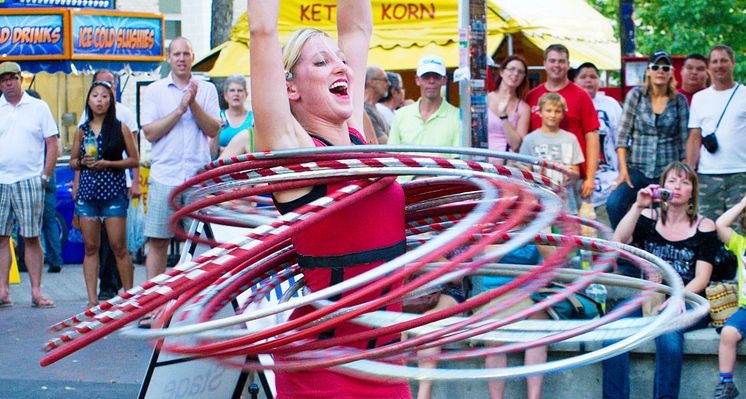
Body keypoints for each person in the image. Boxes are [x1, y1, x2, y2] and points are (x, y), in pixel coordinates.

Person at [247, 0, 410, 397]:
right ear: (290, 87)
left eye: (339, 61)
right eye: (321, 63)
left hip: (388, 360)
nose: (342, 67)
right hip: (324, 369)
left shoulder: (354, 136)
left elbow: (355, 27)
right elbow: (263, 31)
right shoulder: (294, 152)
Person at [603, 161, 718, 399]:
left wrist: (678, 297)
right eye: (672, 181)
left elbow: (702, 278)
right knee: (611, 329)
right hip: (650, 299)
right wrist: (637, 206)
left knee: (667, 332)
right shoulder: (648, 216)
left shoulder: (705, 226)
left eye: (684, 182)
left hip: (689, 300)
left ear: (692, 193)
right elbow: (617, 244)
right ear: (662, 186)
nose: (677, 186)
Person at [140, 37, 221, 326]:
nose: (182, 58)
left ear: (192, 57)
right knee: (158, 242)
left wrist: (193, 102)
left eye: (186, 53)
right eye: (177, 54)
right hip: (165, 175)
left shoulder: (207, 88)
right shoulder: (154, 91)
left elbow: (213, 129)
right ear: (169, 57)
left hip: (197, 177)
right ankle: (155, 305)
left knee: (199, 245)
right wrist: (178, 110)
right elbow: (150, 133)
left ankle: (195, 308)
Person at [69, 81, 139, 308]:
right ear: (89, 100)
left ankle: (130, 297)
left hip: (113, 193)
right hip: (88, 195)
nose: (100, 100)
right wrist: (82, 162)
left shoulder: (120, 128)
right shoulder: (82, 130)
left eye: (104, 96)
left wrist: (108, 162)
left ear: (111, 101)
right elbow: (72, 162)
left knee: (119, 246)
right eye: (95, 96)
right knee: (91, 247)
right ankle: (91, 300)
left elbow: (133, 159)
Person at [606, 50, 689, 229]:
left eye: (665, 68)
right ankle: (626, 250)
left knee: (662, 216)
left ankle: (655, 253)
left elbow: (684, 141)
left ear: (671, 72)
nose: (660, 71)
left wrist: (683, 175)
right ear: (648, 71)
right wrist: (623, 171)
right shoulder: (636, 96)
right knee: (614, 203)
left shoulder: (679, 101)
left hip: (667, 171)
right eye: (656, 67)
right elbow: (622, 136)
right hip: (637, 169)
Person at [0, 61, 59, 308]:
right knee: (1, 237)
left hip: (29, 179)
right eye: (3, 80)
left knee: (32, 237)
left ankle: (36, 291)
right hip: (1, 180)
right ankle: (2, 291)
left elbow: (53, 143)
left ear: (21, 79)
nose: (8, 83)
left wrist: (44, 176)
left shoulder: (38, 107)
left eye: (12, 78)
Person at [525, 44, 600, 200]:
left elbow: (592, 135)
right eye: (552, 61)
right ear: (544, 64)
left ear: (568, 65)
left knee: (578, 222)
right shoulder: (532, 96)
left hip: (574, 178)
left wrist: (591, 177)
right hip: (541, 181)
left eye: (561, 61)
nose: (557, 65)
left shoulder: (581, 96)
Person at [686, 44, 746, 222]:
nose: (719, 65)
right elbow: (694, 137)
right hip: (707, 175)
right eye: (715, 61)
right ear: (709, 66)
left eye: (724, 61)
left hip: (741, 173)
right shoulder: (700, 98)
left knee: (739, 230)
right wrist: (690, 172)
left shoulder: (744, 94)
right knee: (707, 227)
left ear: (733, 63)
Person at [574, 61, 623, 210]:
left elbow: (620, 140)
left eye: (593, 76)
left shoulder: (610, 104)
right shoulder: (569, 102)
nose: (588, 80)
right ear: (575, 80)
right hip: (578, 180)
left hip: (608, 181)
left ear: (599, 81)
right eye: (583, 77)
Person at [389, 55, 460, 153]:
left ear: (444, 80)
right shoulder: (401, 115)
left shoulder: (457, 116)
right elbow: (392, 156)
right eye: (426, 76)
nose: (431, 81)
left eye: (436, 76)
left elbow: (458, 159)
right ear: (417, 80)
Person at [713, 192, 746, 399]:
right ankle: (726, 383)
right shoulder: (741, 244)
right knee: (728, 333)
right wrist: (742, 204)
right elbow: (720, 225)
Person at [486, 55, 530, 162]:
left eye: (520, 72)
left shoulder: (523, 108)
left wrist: (503, 116)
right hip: (482, 163)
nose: (515, 74)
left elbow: (516, 145)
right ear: (501, 72)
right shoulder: (484, 100)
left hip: (507, 166)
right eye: (511, 69)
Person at [212, 74, 254, 158]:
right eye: (232, 90)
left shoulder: (254, 119)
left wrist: (236, 150)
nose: (236, 94)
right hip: (220, 168)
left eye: (240, 90)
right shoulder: (217, 117)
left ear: (246, 94)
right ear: (225, 95)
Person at [364, 65, 390, 143]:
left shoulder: (373, 109)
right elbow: (385, 144)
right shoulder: (366, 111)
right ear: (371, 82)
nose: (389, 83)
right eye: (385, 80)